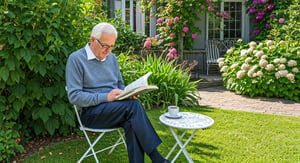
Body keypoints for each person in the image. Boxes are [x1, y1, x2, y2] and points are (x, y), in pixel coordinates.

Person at [66, 22, 169, 163]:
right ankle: (157, 158)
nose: (108, 50)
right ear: (92, 40)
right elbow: (74, 96)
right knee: (133, 107)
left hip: (116, 109)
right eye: (105, 46)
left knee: (132, 121)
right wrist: (106, 97)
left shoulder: (111, 58)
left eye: (112, 46)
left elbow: (119, 83)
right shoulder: (76, 59)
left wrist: (127, 92)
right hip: (91, 114)